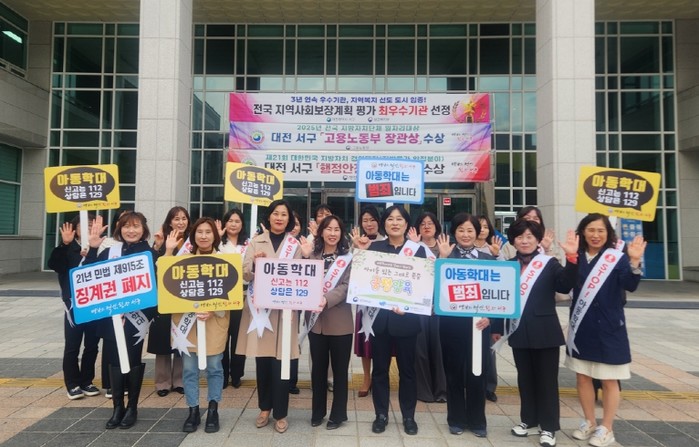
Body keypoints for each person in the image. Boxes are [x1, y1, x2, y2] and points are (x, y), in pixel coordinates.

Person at [492, 218, 579, 447]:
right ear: (513, 241)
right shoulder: (508, 266)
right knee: (525, 379)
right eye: (520, 237)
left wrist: (572, 258)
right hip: (519, 331)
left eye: (529, 236)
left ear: (538, 240)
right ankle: (529, 421)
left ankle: (548, 427)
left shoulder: (548, 263)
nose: (524, 241)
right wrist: (496, 328)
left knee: (547, 381)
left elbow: (564, 285)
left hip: (545, 332)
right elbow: (500, 300)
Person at [566, 213, 646, 447]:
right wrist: (569, 258)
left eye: (600, 230)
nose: (595, 235)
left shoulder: (616, 257)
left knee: (610, 379)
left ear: (608, 233)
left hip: (610, 327)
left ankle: (607, 427)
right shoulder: (577, 256)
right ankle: (589, 421)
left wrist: (634, 262)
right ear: (583, 232)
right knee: (583, 376)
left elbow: (630, 285)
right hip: (582, 327)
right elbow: (566, 284)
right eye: (591, 230)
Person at [354, 205, 427, 436]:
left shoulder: (418, 251)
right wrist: (360, 254)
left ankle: (408, 416)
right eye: (390, 219)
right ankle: (381, 415)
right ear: (384, 224)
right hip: (379, 321)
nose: (395, 223)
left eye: (399, 219)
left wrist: (409, 307)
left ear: (406, 224)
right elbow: (361, 282)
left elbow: (423, 286)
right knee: (379, 371)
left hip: (407, 320)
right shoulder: (374, 248)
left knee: (407, 371)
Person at [84, 212, 158, 429]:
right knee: (114, 359)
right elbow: (89, 276)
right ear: (120, 229)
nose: (131, 230)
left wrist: (135, 309)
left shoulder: (150, 254)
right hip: (112, 317)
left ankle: (132, 407)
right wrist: (93, 248)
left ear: (143, 230)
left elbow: (156, 287)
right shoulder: (110, 251)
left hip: (136, 318)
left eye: (136, 226)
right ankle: (118, 407)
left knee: (133, 359)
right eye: (126, 226)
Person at [237, 199, 301, 434]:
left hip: (285, 312)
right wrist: (255, 264)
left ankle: (281, 413)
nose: (279, 218)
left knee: (282, 363)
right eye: (276, 213)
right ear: (269, 216)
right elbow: (244, 274)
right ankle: (264, 408)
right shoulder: (255, 242)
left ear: (289, 219)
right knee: (263, 361)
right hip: (260, 311)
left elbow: (302, 278)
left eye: (284, 214)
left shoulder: (295, 245)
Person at [435, 213, 494, 438]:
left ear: (478, 232)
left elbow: (498, 294)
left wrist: (491, 318)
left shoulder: (488, 259)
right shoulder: (446, 256)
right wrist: (442, 259)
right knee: (454, 373)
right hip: (452, 325)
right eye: (461, 230)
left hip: (480, 325)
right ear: (454, 232)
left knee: (478, 372)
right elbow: (435, 289)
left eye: (470, 230)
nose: (465, 235)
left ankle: (478, 421)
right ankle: (456, 419)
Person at [169, 217, 230, 434]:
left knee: (215, 367)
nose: (203, 236)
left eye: (208, 232)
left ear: (215, 235)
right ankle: (193, 410)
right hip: (187, 324)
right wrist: (168, 251)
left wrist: (213, 309)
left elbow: (232, 296)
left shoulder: (225, 260)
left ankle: (213, 409)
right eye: (199, 232)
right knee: (188, 369)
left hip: (214, 322)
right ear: (193, 235)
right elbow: (166, 286)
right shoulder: (182, 260)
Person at [298, 215, 353, 430]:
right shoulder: (312, 254)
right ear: (321, 232)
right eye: (328, 229)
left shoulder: (348, 258)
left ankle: (338, 414)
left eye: (336, 229)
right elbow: (301, 279)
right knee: (318, 370)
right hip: (316, 322)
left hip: (340, 322)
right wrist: (304, 257)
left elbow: (347, 286)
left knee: (340, 372)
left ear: (341, 233)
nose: (332, 233)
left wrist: (326, 299)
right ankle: (317, 412)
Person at [47, 214, 101, 401]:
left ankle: (87, 381)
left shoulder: (101, 247)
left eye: (91, 225)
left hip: (95, 304)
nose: (87, 229)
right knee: (72, 345)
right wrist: (64, 244)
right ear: (75, 229)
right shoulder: (68, 248)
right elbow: (55, 265)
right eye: (83, 226)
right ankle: (72, 384)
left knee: (92, 345)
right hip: (73, 305)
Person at [147, 206, 191, 397]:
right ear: (169, 222)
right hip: (164, 297)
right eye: (176, 219)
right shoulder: (161, 239)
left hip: (185, 296)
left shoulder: (192, 240)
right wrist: (159, 247)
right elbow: (152, 268)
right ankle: (162, 382)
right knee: (163, 339)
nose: (180, 222)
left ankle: (180, 380)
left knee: (182, 337)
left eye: (184, 218)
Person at [408, 212, 447, 403]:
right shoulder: (413, 247)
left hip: (441, 305)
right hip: (418, 305)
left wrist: (445, 257)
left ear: (436, 226)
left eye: (430, 223)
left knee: (440, 349)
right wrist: (413, 246)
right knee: (420, 350)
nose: (426, 226)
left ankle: (442, 391)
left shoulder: (444, 247)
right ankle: (423, 392)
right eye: (422, 223)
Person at [349, 204, 383, 397]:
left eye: (372, 220)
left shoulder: (386, 241)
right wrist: (356, 248)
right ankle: (366, 378)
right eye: (365, 221)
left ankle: (380, 376)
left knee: (382, 340)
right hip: (364, 299)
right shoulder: (357, 242)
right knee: (366, 340)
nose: (369, 224)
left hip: (383, 301)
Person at [217, 208, 248, 389]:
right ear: (225, 223)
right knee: (222, 335)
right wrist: (217, 237)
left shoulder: (249, 243)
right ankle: (222, 374)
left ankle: (237, 374)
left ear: (242, 224)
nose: (233, 224)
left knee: (239, 336)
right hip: (222, 294)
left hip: (242, 295)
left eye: (237, 221)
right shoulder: (218, 243)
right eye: (230, 221)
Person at [475, 214, 504, 403]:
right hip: (467, 305)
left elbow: (504, 278)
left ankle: (489, 387)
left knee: (489, 351)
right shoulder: (463, 249)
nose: (482, 230)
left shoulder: (495, 250)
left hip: (488, 307)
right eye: (479, 226)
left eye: (486, 226)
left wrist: (496, 255)